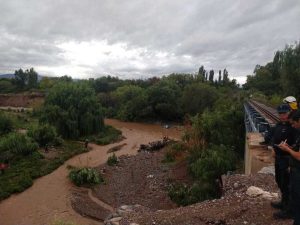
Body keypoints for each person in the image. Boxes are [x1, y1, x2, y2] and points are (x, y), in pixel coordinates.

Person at [270, 104, 295, 219]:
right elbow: (274, 136)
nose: (282, 116)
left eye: (284, 113)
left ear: (289, 113)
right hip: (278, 157)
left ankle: (289, 210)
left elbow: (296, 144)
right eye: (280, 114)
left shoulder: (293, 126)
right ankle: (283, 203)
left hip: (287, 159)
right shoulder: (279, 124)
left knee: (287, 184)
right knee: (279, 181)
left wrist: (289, 149)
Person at [278, 110, 300, 225]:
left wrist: (287, 149)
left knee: (297, 199)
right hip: (295, 170)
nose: (293, 126)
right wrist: (289, 146)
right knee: (294, 197)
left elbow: (299, 156)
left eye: (294, 123)